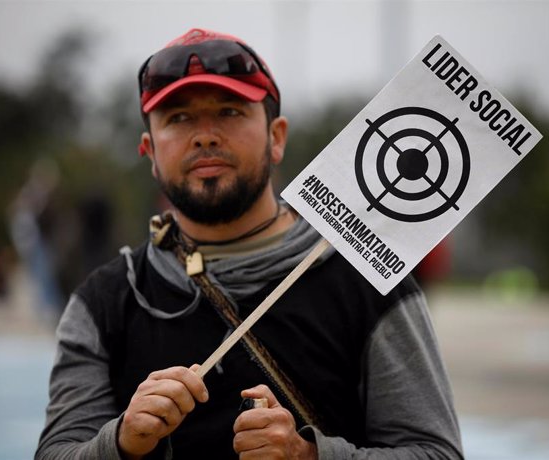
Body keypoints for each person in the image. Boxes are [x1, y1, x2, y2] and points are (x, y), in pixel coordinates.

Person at [36, 28, 463, 459]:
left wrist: (310, 455)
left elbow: (438, 454)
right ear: (149, 151)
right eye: (178, 118)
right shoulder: (103, 302)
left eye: (230, 111)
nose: (205, 135)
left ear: (276, 137)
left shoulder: (368, 283)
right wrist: (122, 442)